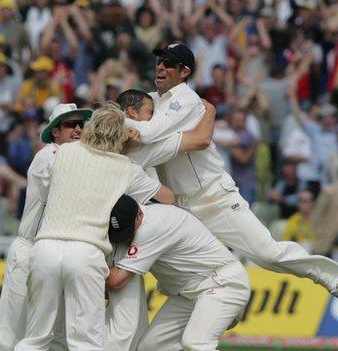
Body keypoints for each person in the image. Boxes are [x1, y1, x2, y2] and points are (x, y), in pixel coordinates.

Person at [123, 42, 338, 297]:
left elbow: (148, 132)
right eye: (159, 60)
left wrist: (110, 121)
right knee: (176, 279)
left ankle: (329, 276)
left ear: (184, 72)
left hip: (213, 198)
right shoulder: (154, 101)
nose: (160, 66)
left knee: (267, 253)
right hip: (181, 207)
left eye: (168, 63)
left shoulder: (186, 98)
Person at [14, 103, 175, 351]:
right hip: (86, 252)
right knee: (86, 344)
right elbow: (168, 198)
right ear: (120, 136)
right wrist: (129, 152)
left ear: (89, 129)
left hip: (45, 247)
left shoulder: (65, 152)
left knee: (35, 340)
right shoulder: (125, 168)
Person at [110, 89, 217, 351]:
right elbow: (169, 196)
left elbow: (200, 140)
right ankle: (214, 304)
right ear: (132, 114)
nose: (155, 120)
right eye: (150, 114)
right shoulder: (130, 162)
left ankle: (212, 304)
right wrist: (210, 109)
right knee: (123, 330)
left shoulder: (88, 149)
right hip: (125, 240)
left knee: (132, 330)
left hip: (110, 241)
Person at [0, 103, 92, 351]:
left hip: (56, 255)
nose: (79, 129)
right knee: (11, 332)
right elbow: (64, 171)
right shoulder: (47, 155)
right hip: (29, 249)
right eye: (71, 125)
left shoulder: (82, 160)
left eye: (82, 124)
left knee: (57, 334)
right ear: (55, 132)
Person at [106, 196, 250, 351]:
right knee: (151, 347)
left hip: (222, 283)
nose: (126, 238)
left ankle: (222, 312)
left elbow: (115, 281)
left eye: (128, 230)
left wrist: (85, 278)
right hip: (189, 294)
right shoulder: (145, 219)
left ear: (139, 213)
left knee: (196, 343)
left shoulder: (152, 226)